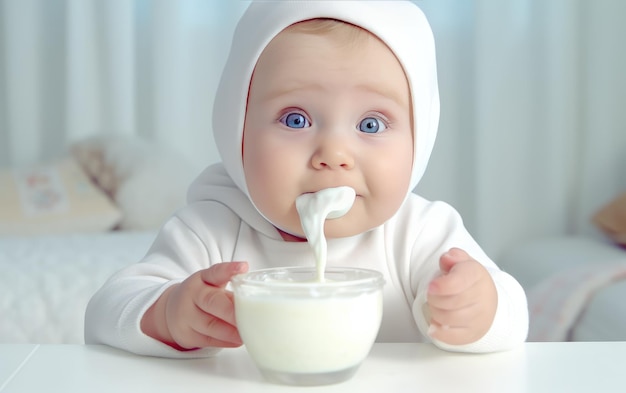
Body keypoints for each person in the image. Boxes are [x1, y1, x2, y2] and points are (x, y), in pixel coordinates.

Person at [85, 0, 528, 357]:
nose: (333, 155)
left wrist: (478, 307)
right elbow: (106, 311)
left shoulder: (421, 234)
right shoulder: (210, 231)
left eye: (371, 125)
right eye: (295, 119)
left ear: (420, 141)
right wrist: (168, 313)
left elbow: (513, 313)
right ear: (236, 131)